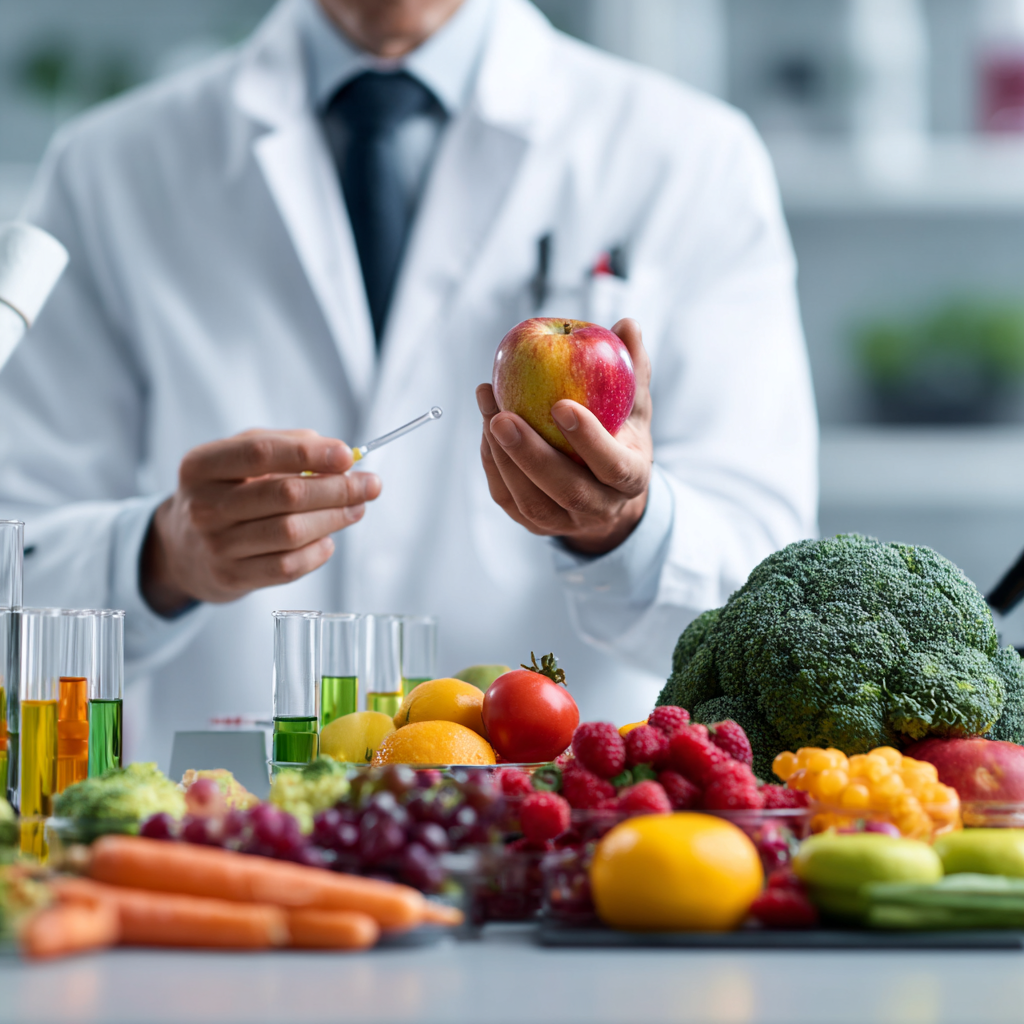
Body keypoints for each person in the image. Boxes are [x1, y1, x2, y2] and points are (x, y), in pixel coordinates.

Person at [0, 0, 817, 767]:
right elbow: (18, 560)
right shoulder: (113, 165)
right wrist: (163, 557)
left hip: (561, 840)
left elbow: (768, 586)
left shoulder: (689, 155)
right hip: (231, 843)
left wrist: (623, 527)